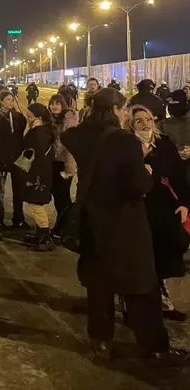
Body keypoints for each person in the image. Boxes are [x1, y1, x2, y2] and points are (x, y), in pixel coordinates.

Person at [61, 88, 190, 364]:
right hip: (125, 223)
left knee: (99, 285)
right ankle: (154, 346)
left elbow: (69, 135)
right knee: (142, 286)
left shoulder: (77, 135)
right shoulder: (125, 142)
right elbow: (139, 186)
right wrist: (147, 171)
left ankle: (101, 341)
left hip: (93, 223)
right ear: (117, 110)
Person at [123, 105, 190, 322]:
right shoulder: (126, 144)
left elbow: (179, 176)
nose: (145, 123)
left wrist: (184, 203)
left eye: (148, 119)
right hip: (136, 209)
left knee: (162, 257)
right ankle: (132, 306)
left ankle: (161, 301)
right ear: (131, 124)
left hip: (164, 210)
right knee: (139, 260)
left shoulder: (165, 143)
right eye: (139, 120)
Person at [0, 89, 28, 231]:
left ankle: (18, 218)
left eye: (12, 100)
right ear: (0, 101)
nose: (11, 102)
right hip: (1, 158)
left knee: (19, 190)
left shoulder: (18, 117)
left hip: (17, 157)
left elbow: (22, 129)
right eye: (7, 100)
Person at [20, 104, 56, 251]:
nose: (27, 118)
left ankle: (45, 235)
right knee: (35, 202)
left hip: (38, 172)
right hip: (38, 170)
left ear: (38, 117)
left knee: (36, 203)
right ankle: (40, 233)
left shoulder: (40, 132)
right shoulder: (42, 130)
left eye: (29, 115)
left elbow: (35, 152)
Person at [47, 94, 77, 239]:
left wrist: (70, 167)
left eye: (58, 103)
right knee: (57, 195)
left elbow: (71, 146)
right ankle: (61, 226)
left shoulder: (68, 119)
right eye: (52, 103)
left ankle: (66, 228)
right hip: (53, 161)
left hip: (64, 163)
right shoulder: (51, 119)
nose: (54, 106)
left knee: (63, 196)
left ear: (63, 105)